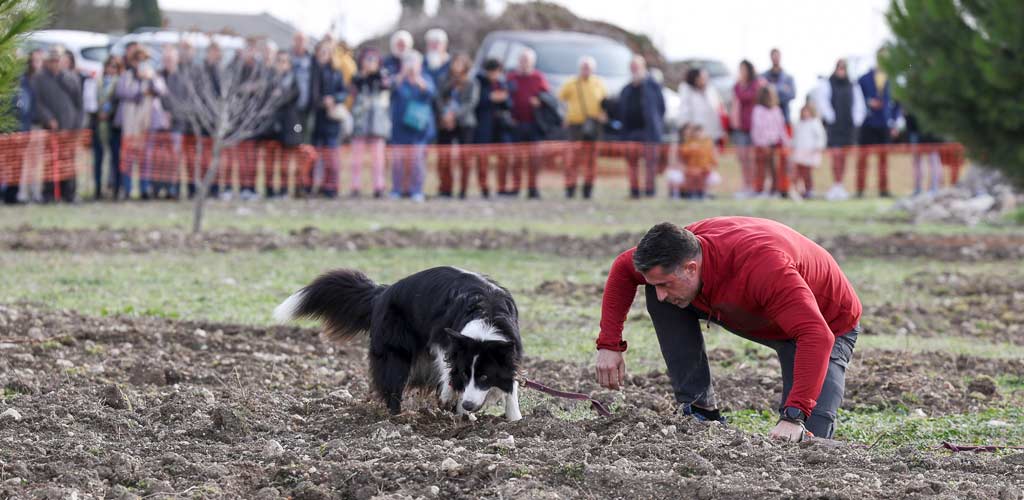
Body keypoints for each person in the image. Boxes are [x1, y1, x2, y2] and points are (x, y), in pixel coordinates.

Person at [594, 218, 862, 440]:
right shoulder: (681, 254)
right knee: (661, 297)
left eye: (666, 283)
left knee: (807, 439)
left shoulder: (763, 267)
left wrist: (794, 415)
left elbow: (816, 334)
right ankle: (699, 410)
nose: (662, 293)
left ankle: (801, 420)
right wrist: (609, 344)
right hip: (755, 311)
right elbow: (622, 267)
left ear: (691, 268)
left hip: (826, 324)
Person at [31, 46, 83, 203]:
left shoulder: (71, 78)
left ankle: (69, 194)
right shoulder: (39, 78)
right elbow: (37, 103)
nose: (55, 63)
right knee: (48, 162)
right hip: (50, 128)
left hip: (69, 128)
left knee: (68, 162)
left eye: (57, 60)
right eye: (52, 60)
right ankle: (48, 194)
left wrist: (77, 125)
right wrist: (48, 119)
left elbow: (79, 105)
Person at [813, 59, 865, 201]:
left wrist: (856, 121)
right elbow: (823, 102)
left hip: (848, 126)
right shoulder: (828, 83)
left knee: (844, 157)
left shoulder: (852, 85)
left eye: (843, 68)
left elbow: (859, 105)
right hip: (834, 127)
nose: (841, 71)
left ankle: (840, 184)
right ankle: (835, 184)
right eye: (839, 68)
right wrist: (830, 117)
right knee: (836, 156)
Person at [388, 51, 435, 202]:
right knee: (397, 163)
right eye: (408, 61)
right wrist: (402, 76)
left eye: (414, 62)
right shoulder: (398, 79)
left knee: (417, 163)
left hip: (418, 131)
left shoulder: (426, 78)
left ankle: (417, 190)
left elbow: (431, 94)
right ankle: (396, 189)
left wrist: (418, 80)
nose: (411, 65)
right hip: (399, 130)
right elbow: (390, 90)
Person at [558, 55, 607, 199]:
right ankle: (570, 188)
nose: (586, 70)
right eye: (584, 67)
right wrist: (565, 116)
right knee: (572, 158)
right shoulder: (571, 83)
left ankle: (588, 190)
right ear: (580, 68)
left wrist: (604, 115)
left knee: (591, 160)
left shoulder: (599, 83)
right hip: (575, 125)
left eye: (589, 68)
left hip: (594, 125)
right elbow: (560, 100)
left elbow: (605, 103)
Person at [855, 48, 900, 198]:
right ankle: (860, 190)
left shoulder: (893, 80)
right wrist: (868, 103)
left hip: (884, 125)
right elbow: (857, 100)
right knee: (863, 159)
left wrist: (894, 123)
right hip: (867, 124)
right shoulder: (863, 79)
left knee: (884, 160)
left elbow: (898, 104)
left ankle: (884, 189)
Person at [618, 55, 665, 199]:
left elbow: (661, 108)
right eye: (632, 67)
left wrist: (656, 124)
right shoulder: (626, 88)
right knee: (632, 164)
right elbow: (620, 109)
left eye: (637, 67)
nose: (635, 70)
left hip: (649, 132)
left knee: (650, 164)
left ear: (643, 67)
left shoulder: (653, 86)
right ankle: (634, 191)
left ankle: (650, 191)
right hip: (630, 132)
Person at [434, 52, 479, 199]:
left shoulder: (472, 82)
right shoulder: (444, 80)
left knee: (465, 158)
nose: (457, 66)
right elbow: (438, 98)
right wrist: (445, 116)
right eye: (455, 62)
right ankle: (445, 189)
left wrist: (454, 115)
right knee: (444, 157)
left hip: (465, 123)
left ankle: (463, 190)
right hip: (444, 123)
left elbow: (470, 103)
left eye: (460, 63)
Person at [506, 48, 549, 199]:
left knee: (534, 159)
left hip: (533, 124)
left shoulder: (539, 78)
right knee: (516, 159)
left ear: (532, 63)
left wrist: (540, 102)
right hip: (516, 124)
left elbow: (548, 98)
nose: (524, 64)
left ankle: (533, 188)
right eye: (522, 60)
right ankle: (516, 187)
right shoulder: (511, 77)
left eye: (527, 61)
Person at [350, 48, 391, 198]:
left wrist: (377, 74)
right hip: (361, 121)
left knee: (378, 158)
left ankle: (379, 186)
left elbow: (386, 86)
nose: (370, 63)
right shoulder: (357, 78)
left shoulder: (382, 76)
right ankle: (355, 186)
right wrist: (364, 76)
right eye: (368, 60)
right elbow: (353, 91)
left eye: (373, 60)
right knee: (357, 157)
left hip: (377, 122)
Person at [309, 40, 347, 198]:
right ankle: (309, 186)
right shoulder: (311, 71)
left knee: (331, 155)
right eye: (321, 52)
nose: (323, 55)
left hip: (331, 122)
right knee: (312, 155)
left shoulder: (336, 72)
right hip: (313, 120)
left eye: (327, 52)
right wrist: (320, 102)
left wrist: (334, 99)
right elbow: (310, 94)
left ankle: (330, 187)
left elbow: (344, 92)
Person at [471, 58, 512, 199]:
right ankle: (484, 188)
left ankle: (502, 187)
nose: (495, 75)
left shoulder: (502, 83)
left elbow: (509, 103)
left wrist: (504, 98)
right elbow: (475, 102)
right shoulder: (478, 82)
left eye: (497, 72)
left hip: (501, 127)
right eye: (492, 72)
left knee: (504, 158)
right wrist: (490, 98)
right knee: (482, 159)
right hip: (483, 127)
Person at [266, 51, 305, 197]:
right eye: (279, 61)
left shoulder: (293, 81)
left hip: (290, 125)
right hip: (272, 125)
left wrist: (279, 95)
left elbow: (291, 97)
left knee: (286, 161)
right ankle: (269, 190)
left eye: (284, 61)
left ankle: (284, 189)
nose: (282, 64)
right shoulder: (269, 79)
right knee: (270, 160)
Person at [90, 55, 123, 200]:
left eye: (114, 66)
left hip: (113, 126)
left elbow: (119, 103)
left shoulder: (120, 83)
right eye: (109, 65)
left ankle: (116, 189)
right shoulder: (98, 83)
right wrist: (98, 114)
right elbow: (91, 101)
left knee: (115, 159)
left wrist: (108, 114)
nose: (111, 69)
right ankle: (98, 189)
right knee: (98, 159)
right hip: (98, 125)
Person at [751, 85, 790, 197]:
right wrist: (762, 143)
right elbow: (757, 128)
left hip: (775, 144)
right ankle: (761, 190)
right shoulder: (758, 110)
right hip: (762, 145)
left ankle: (775, 189)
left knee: (774, 169)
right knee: (762, 169)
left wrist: (785, 142)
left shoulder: (777, 110)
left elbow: (781, 128)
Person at [730, 60, 761, 198]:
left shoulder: (756, 84)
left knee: (753, 159)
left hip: (754, 127)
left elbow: (747, 96)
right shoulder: (737, 86)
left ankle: (754, 185)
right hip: (741, 127)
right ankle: (745, 185)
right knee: (743, 158)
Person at [676, 68, 724, 145]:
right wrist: (688, 128)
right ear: (696, 79)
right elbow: (684, 111)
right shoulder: (687, 92)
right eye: (702, 78)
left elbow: (717, 110)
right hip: (696, 134)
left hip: (712, 134)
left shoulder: (710, 90)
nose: (705, 80)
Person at [904, 112, 943, 197]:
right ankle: (919, 188)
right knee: (918, 162)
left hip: (929, 133)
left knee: (933, 160)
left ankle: (934, 188)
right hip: (917, 133)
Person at [679, 124, 716, 199]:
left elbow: (711, 156)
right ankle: (690, 193)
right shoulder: (689, 142)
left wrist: (711, 164)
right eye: (697, 132)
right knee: (692, 176)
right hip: (691, 168)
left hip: (703, 168)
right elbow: (683, 153)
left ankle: (701, 193)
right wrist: (691, 149)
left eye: (700, 132)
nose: (699, 134)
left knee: (700, 176)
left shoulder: (707, 142)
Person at [762, 48, 796, 126]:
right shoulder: (763, 76)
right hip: (767, 119)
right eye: (774, 56)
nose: (776, 58)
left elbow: (792, 94)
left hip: (784, 116)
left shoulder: (788, 78)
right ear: (770, 57)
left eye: (777, 56)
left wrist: (772, 90)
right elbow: (762, 96)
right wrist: (782, 88)